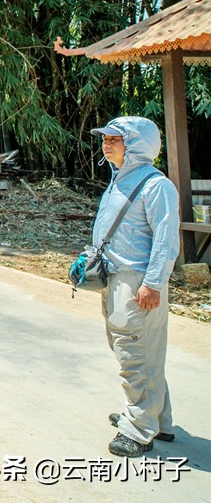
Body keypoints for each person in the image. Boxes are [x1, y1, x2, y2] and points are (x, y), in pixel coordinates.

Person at [90, 116, 180, 457]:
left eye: (116, 138)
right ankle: (159, 419)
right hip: (116, 280)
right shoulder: (119, 180)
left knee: (136, 354)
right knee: (136, 351)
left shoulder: (156, 186)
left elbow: (165, 239)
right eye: (105, 138)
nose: (107, 143)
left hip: (138, 284)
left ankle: (139, 429)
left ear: (137, 144)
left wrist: (153, 283)